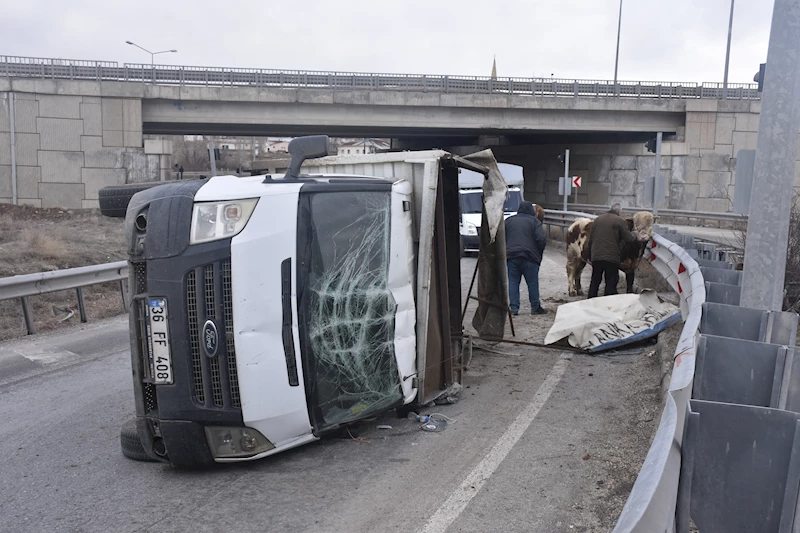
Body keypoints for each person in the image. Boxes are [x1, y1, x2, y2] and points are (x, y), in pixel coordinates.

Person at [586, 203, 638, 298]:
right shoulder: (620, 221)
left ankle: (590, 301)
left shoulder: (597, 220)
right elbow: (629, 238)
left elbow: (590, 240)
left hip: (596, 256)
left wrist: (589, 255)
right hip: (612, 257)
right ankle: (608, 301)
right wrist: (635, 234)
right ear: (619, 211)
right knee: (611, 281)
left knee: (595, 280)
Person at [505, 201, 548, 315]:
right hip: (530, 257)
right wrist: (538, 253)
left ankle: (514, 308)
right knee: (532, 282)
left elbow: (501, 237)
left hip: (512, 256)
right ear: (531, 211)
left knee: (513, 282)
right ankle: (535, 307)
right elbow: (541, 239)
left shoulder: (508, 221)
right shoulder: (535, 222)